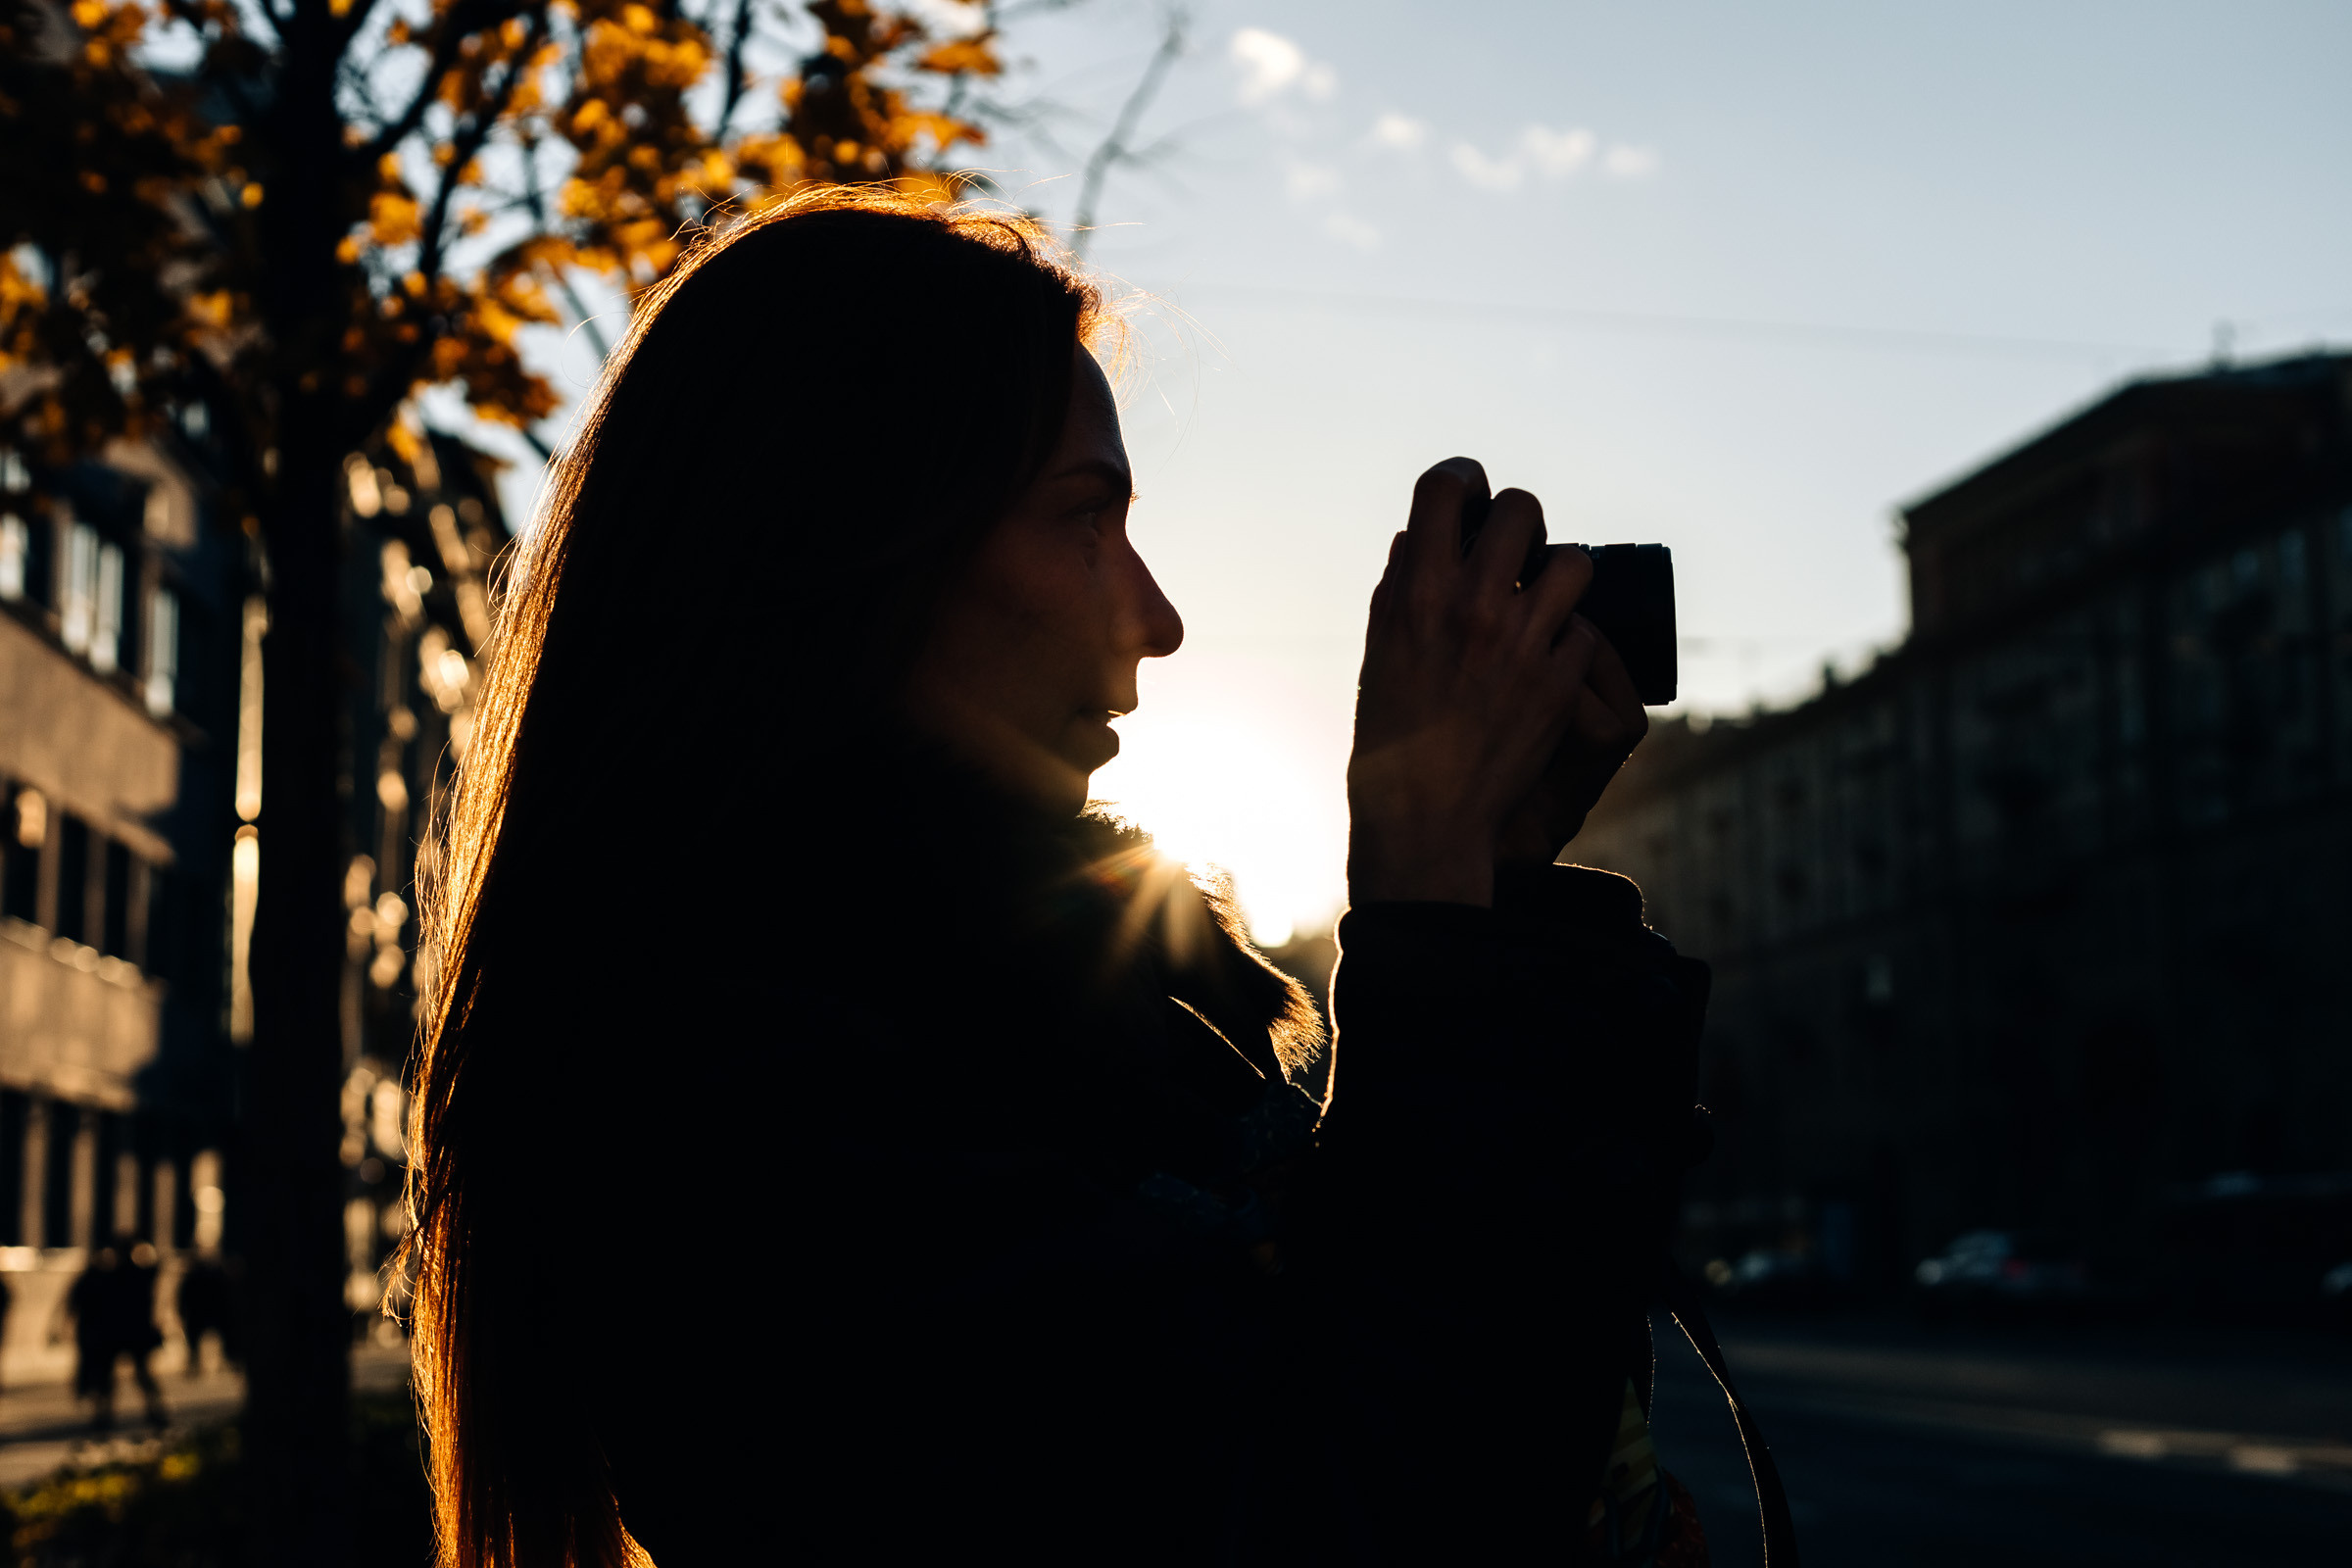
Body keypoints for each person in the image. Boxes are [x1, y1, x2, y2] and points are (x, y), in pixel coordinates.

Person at [408, 186, 1712, 1566]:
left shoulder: (1017, 1020)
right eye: (1085, 519)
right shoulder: (729, 1084)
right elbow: (1356, 1506)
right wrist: (1442, 944)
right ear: (844, 548)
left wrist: (1491, 901)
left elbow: (1406, 1374)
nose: (1156, 620)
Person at [67, 1236, 168, 1432]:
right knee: (138, 1375)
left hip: (115, 1333)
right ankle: (152, 1411)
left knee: (114, 1377)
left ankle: (106, 1415)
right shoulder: (138, 1274)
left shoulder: (109, 1274)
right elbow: (157, 1267)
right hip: (130, 1333)